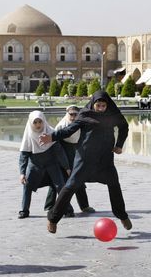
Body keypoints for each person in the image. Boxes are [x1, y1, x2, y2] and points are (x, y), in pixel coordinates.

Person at [39, 90, 131, 234]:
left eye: (103, 106)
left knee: (114, 185)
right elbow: (68, 130)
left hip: (104, 161)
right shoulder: (85, 115)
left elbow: (124, 127)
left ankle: (122, 216)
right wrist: (51, 137)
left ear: (107, 105)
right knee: (69, 187)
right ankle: (53, 218)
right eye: (98, 105)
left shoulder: (113, 115)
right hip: (85, 160)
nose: (100, 109)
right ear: (93, 104)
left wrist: (119, 144)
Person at [43, 105, 95, 216]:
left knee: (79, 180)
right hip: (63, 153)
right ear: (67, 114)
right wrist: (64, 164)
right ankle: (49, 206)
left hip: (77, 152)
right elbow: (55, 144)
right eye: (71, 114)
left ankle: (84, 206)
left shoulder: (81, 124)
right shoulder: (61, 126)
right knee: (59, 182)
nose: (73, 117)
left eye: (76, 114)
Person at [18, 110, 71, 219]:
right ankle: (24, 210)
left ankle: (68, 210)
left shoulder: (50, 132)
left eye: (40, 122)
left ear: (44, 121)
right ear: (31, 123)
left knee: (61, 186)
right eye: (35, 122)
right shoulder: (28, 135)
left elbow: (59, 152)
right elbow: (24, 155)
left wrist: (67, 167)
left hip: (52, 164)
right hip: (35, 166)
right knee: (27, 186)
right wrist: (22, 173)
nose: (38, 125)